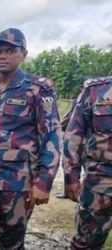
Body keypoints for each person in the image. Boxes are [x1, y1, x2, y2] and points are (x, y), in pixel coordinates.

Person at [0, 28, 61, 249]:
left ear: (24, 54)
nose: (2, 56)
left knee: (11, 243)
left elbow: (51, 136)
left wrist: (44, 182)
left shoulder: (37, 89)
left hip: (16, 184)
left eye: (10, 51)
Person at [63, 76, 112, 249]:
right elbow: (73, 135)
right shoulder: (96, 90)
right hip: (100, 183)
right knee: (86, 244)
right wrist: (71, 177)